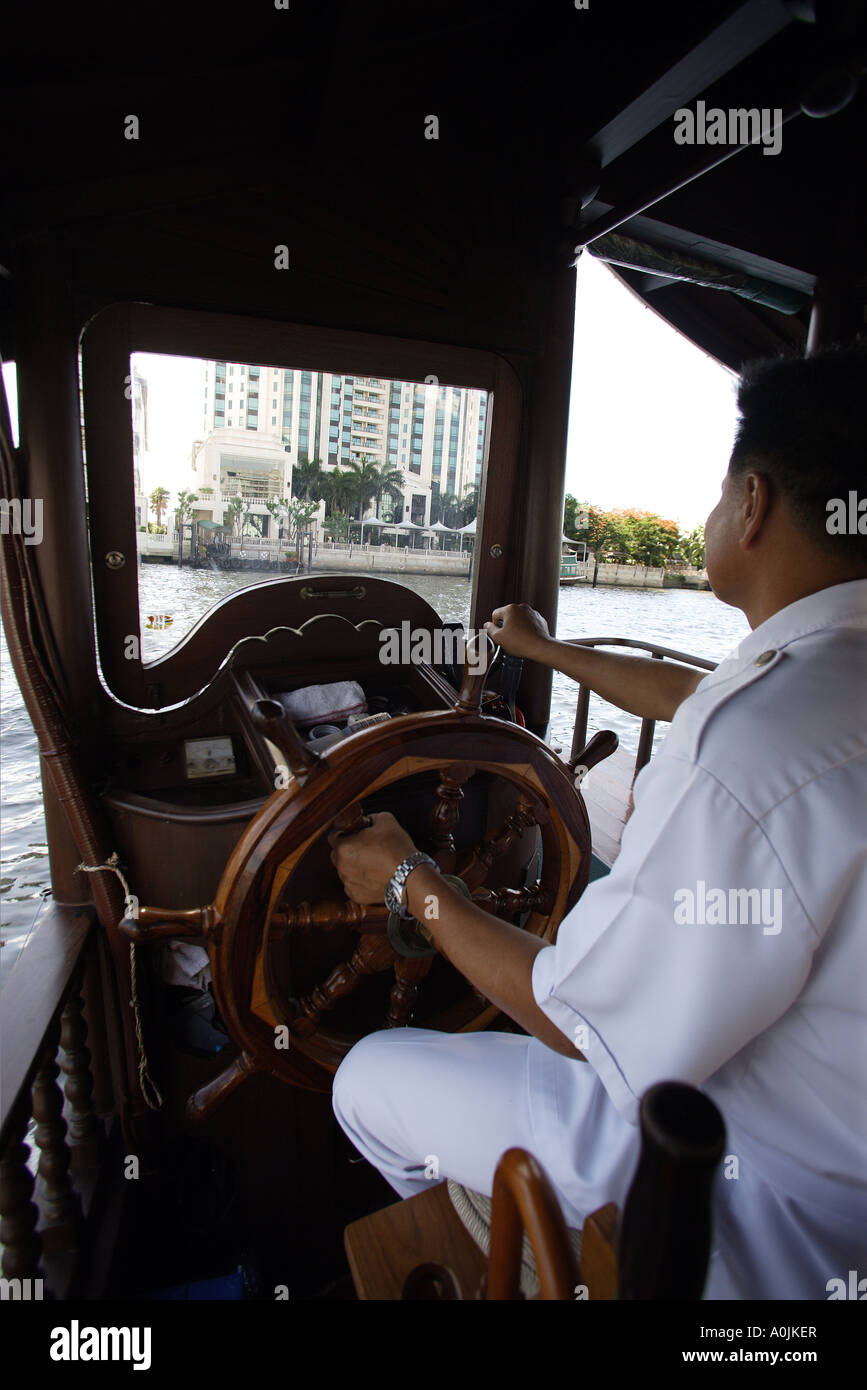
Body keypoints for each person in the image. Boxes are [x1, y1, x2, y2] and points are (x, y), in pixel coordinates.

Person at [329, 343, 867, 1299]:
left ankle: (521, 1268)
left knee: (364, 1074)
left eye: (713, 495)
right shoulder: (822, 686)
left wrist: (410, 880)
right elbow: (696, 692)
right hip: (837, 1172)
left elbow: (567, 1017)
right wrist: (546, 650)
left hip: (741, 1202)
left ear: (750, 505)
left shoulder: (752, 750)